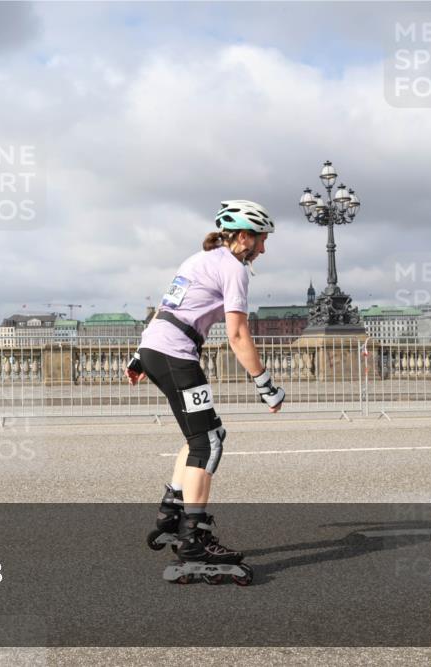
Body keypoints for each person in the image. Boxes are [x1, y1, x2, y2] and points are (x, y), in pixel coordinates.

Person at [127, 200, 286, 567]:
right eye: (261, 240)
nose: (262, 249)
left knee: (203, 436)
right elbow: (238, 333)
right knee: (208, 443)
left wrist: (139, 356)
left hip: (156, 349)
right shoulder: (233, 268)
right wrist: (265, 385)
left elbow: (168, 307)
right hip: (177, 355)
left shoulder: (197, 260)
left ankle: (171, 513)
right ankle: (193, 538)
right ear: (244, 237)